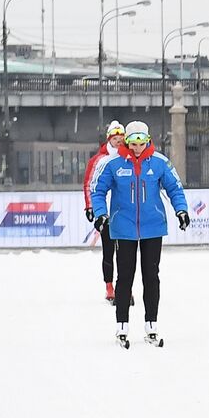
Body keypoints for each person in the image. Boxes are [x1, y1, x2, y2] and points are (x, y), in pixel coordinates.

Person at [90, 121, 189, 346]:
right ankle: (122, 326)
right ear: (126, 141)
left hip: (153, 227)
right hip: (123, 228)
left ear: (147, 140)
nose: (137, 148)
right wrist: (100, 213)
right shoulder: (112, 163)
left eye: (141, 142)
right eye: (133, 143)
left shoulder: (160, 162)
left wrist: (181, 210)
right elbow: (98, 190)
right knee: (125, 277)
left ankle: (151, 324)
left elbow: (174, 188)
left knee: (151, 277)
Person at [82, 120, 126, 303]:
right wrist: (90, 207)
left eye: (121, 138)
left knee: (125, 252)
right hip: (105, 213)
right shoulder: (99, 159)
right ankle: (109, 286)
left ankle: (124, 286)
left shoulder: (128, 156)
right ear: (109, 139)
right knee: (109, 251)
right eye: (115, 138)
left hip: (124, 212)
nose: (118, 141)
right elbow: (89, 184)